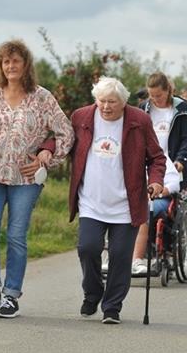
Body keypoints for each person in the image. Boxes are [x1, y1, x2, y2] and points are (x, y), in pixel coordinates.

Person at [0, 39, 73, 319]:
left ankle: (11, 296)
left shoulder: (42, 97)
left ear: (26, 64)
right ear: (0, 65)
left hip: (26, 177)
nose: (10, 66)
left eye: (16, 61)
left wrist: (47, 156)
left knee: (17, 236)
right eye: (6, 61)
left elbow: (65, 132)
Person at [69, 77, 165, 324]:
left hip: (126, 203)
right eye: (101, 101)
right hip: (91, 200)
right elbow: (63, 142)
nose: (106, 107)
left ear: (124, 102)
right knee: (87, 248)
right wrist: (46, 150)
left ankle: (112, 306)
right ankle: (92, 293)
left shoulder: (138, 120)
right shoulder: (81, 117)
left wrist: (155, 181)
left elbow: (156, 157)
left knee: (121, 255)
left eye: (112, 102)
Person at [132, 72, 187, 267]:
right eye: (151, 95)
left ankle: (163, 248)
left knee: (164, 210)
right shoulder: (144, 108)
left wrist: (181, 159)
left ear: (168, 91)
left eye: (158, 95)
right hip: (147, 161)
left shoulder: (181, 109)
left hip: (171, 162)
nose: (155, 99)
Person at [131, 155, 181, 274]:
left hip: (157, 199)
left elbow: (175, 183)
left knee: (143, 211)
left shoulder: (160, 156)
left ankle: (136, 260)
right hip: (132, 198)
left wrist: (160, 191)